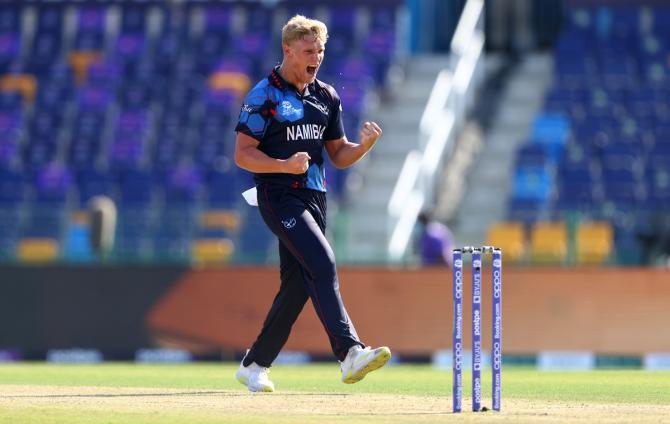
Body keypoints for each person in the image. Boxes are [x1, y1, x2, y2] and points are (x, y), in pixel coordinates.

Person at [233, 15, 391, 392]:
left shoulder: (326, 97)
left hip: (316, 197)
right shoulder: (263, 96)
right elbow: (242, 154)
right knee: (322, 262)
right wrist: (282, 165)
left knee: (298, 285)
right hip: (278, 195)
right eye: (308, 50)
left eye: (320, 50)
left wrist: (363, 148)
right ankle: (350, 352)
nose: (316, 57)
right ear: (288, 50)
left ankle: (254, 364)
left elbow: (338, 153)